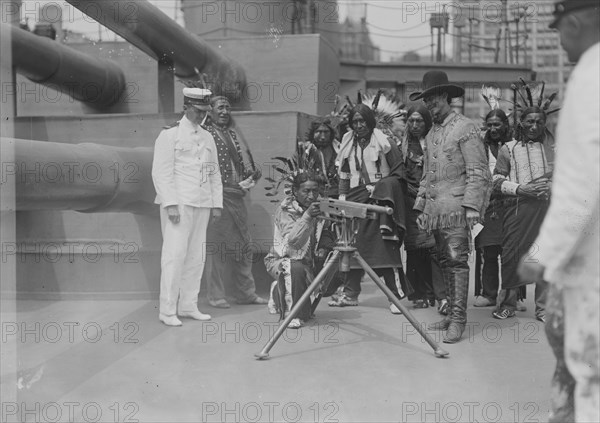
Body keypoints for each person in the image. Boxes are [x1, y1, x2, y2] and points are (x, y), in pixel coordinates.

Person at [519, 1, 599, 421]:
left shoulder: (591, 75)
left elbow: (580, 183)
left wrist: (543, 254)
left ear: (574, 21)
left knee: (587, 371)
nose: (560, 40)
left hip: (591, 259)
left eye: (559, 30)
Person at [409, 70, 491, 343]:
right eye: (426, 99)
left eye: (433, 98)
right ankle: (450, 313)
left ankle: (458, 319)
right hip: (436, 212)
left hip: (457, 209)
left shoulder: (465, 127)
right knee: (445, 261)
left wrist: (471, 208)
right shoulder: (432, 133)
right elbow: (427, 175)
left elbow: (478, 171)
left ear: (446, 96)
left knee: (457, 262)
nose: (429, 103)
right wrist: (421, 207)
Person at [328, 104, 411, 314]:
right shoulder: (348, 142)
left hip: (379, 202)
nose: (359, 125)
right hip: (355, 201)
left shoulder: (384, 142)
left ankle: (395, 297)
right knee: (355, 246)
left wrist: (382, 188)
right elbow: (344, 175)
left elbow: (398, 172)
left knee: (383, 248)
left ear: (370, 121)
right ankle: (350, 293)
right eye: (355, 122)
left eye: (362, 121)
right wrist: (342, 198)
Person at [152, 87, 223, 326]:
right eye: (198, 111)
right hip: (179, 204)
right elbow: (161, 172)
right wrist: (170, 203)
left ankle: (188, 305)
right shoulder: (169, 135)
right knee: (174, 256)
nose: (202, 115)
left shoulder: (207, 136)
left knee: (196, 257)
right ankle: (167, 310)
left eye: (205, 111)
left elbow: (213, 173)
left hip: (202, 203)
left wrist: (216, 204)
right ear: (187, 108)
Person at [202, 95, 267, 309]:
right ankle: (216, 296)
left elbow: (237, 167)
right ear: (209, 111)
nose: (224, 112)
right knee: (218, 249)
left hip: (236, 197)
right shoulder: (204, 135)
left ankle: (245, 293)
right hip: (216, 199)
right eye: (220, 107)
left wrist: (250, 175)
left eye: (227, 108)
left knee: (242, 247)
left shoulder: (230, 134)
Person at [492, 104, 555, 322]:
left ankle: (543, 308)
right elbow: (496, 180)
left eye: (539, 122)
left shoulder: (555, 150)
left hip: (548, 211)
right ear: (521, 122)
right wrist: (521, 189)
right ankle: (507, 304)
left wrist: (552, 187)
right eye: (530, 121)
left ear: (544, 124)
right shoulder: (508, 149)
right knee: (511, 256)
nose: (534, 126)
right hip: (517, 211)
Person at [264, 171, 327, 329]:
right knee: (295, 269)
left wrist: (325, 249)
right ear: (295, 192)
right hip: (283, 260)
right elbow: (292, 243)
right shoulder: (285, 210)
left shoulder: (322, 207)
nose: (311, 195)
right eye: (306, 191)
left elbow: (328, 233)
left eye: (315, 190)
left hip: (309, 260)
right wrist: (307, 217)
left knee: (336, 271)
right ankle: (288, 309)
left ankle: (287, 292)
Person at [401, 105, 446, 312]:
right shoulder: (401, 146)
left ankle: (437, 294)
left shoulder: (435, 143)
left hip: (432, 199)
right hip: (410, 201)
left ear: (427, 122)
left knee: (433, 248)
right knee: (414, 248)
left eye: (419, 121)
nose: (415, 125)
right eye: (411, 120)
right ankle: (418, 293)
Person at [473, 109, 510, 308]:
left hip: (510, 205)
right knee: (488, 252)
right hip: (487, 205)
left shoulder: (514, 145)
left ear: (505, 125)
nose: (493, 128)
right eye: (490, 125)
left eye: (497, 124)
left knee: (511, 252)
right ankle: (489, 294)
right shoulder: (480, 146)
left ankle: (512, 296)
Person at [295, 118, 340, 198]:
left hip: (337, 194)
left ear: (331, 133)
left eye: (326, 132)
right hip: (315, 195)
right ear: (312, 133)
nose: (323, 137)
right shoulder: (306, 151)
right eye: (318, 132)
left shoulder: (339, 150)